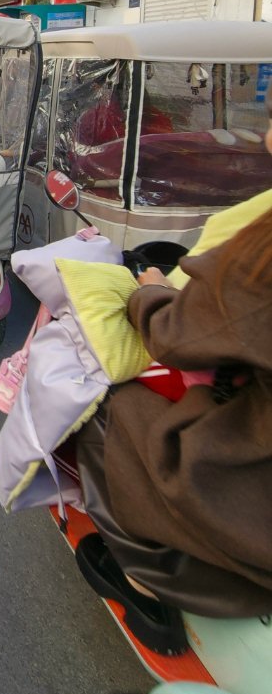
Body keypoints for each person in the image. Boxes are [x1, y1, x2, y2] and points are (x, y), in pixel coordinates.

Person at [74, 96, 272, 622]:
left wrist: (149, 291)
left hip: (255, 486)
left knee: (105, 407)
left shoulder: (263, 239)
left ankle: (148, 579)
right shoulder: (145, 129)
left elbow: (179, 337)